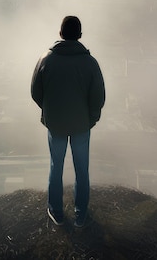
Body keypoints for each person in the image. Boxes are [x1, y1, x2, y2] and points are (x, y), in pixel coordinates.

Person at [31, 15, 105, 228]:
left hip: (56, 125)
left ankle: (56, 212)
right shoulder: (90, 63)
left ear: (60, 34)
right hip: (82, 125)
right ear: (80, 35)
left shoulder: (46, 59)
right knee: (82, 170)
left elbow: (35, 92)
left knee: (56, 167)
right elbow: (98, 98)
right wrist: (91, 120)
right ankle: (80, 215)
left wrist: (50, 112)